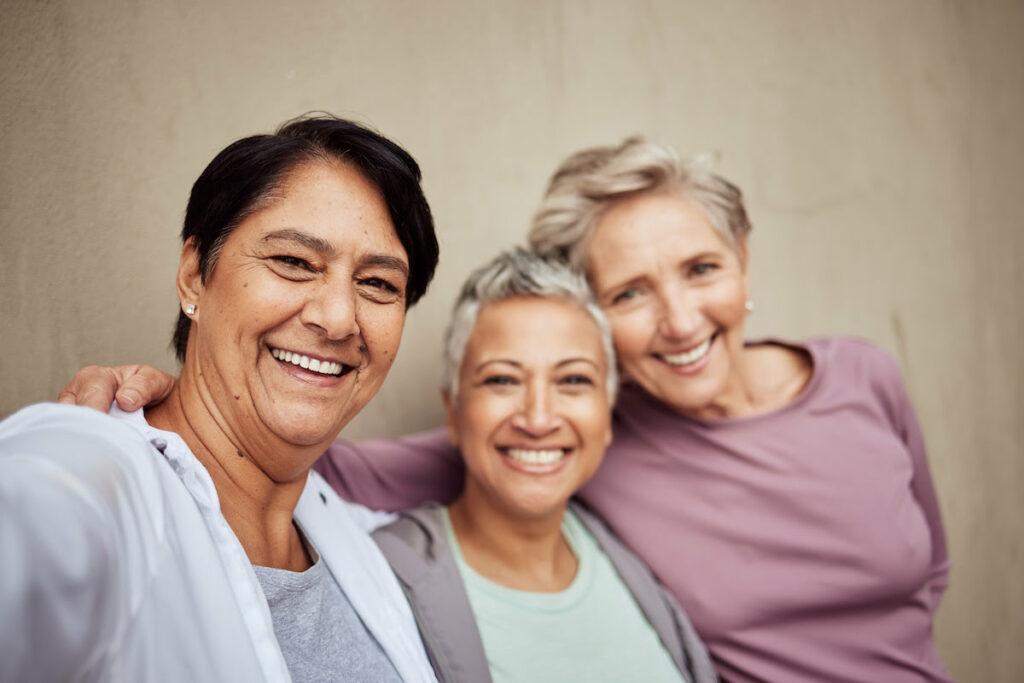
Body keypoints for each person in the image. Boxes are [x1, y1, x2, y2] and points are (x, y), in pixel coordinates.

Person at [59, 137, 951, 682]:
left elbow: (928, 577)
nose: (680, 319)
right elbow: (287, 435)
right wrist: (166, 392)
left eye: (702, 269)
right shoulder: (598, 435)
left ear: (744, 265)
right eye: (633, 291)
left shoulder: (862, 377)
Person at [1, 115, 440, 682]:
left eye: (378, 284)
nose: (337, 318)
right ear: (193, 276)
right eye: (294, 262)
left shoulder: (345, 527)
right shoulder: (97, 474)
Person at [371, 248, 717, 683]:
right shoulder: (381, 580)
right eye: (502, 380)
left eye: (573, 380)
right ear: (454, 413)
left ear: (607, 414)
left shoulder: (631, 554)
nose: (538, 419)